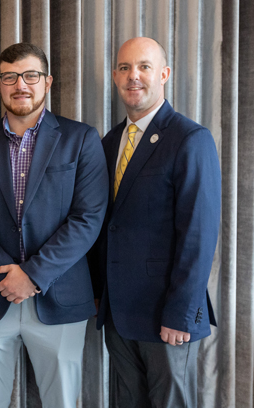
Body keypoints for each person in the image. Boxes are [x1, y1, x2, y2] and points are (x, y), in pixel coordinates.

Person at [0, 42, 109, 408]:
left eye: (30, 75)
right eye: (10, 76)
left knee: (62, 402)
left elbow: (88, 218)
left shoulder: (81, 139)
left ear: (47, 81)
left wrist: (33, 275)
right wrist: (7, 278)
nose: (20, 84)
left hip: (60, 297)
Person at [92, 37, 220, 407]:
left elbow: (198, 234)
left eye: (144, 67)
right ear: (115, 77)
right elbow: (107, 226)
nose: (134, 76)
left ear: (163, 74)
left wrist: (181, 312)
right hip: (117, 314)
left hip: (167, 316)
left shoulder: (190, 139)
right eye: (125, 68)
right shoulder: (109, 142)